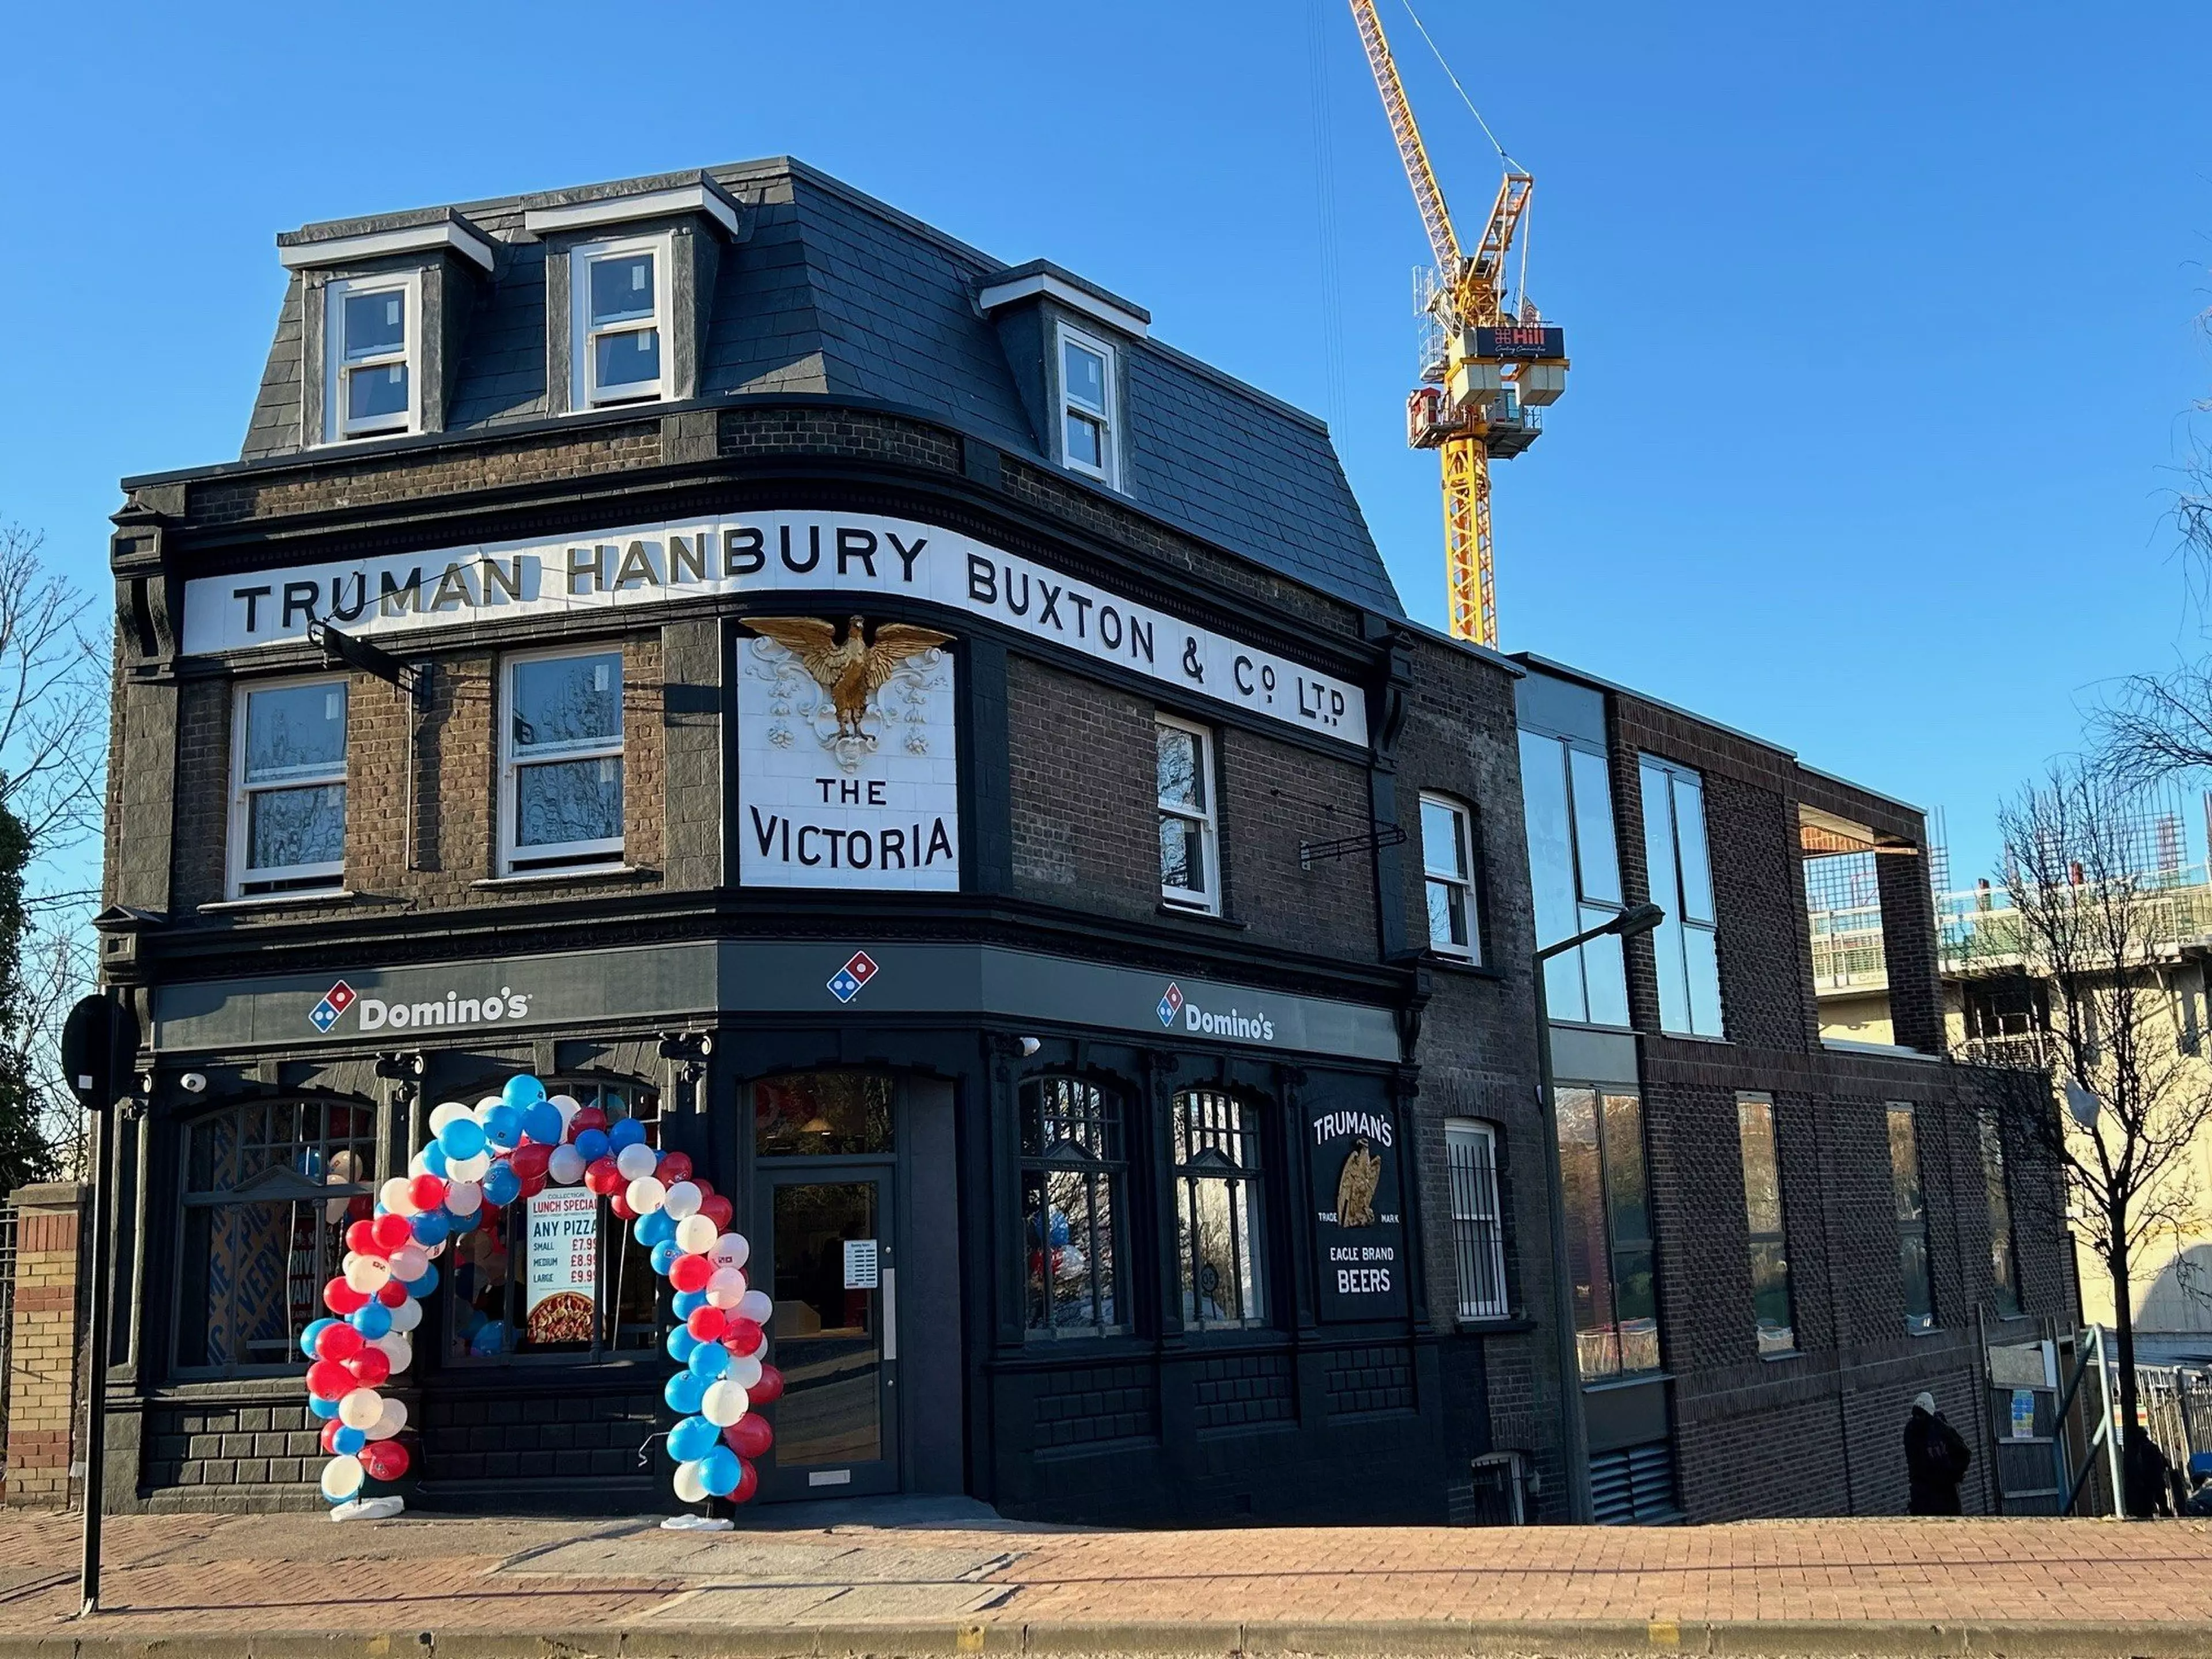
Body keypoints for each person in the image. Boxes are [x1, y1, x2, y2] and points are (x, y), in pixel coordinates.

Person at [1904, 1391, 1972, 1514]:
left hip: (1945, 1493)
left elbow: (1964, 1453)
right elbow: (1914, 1464)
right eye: (1916, 1415)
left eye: (1921, 1415)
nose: (1918, 1418)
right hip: (1924, 1495)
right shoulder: (1911, 1432)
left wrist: (1953, 1474)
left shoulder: (1942, 1430)